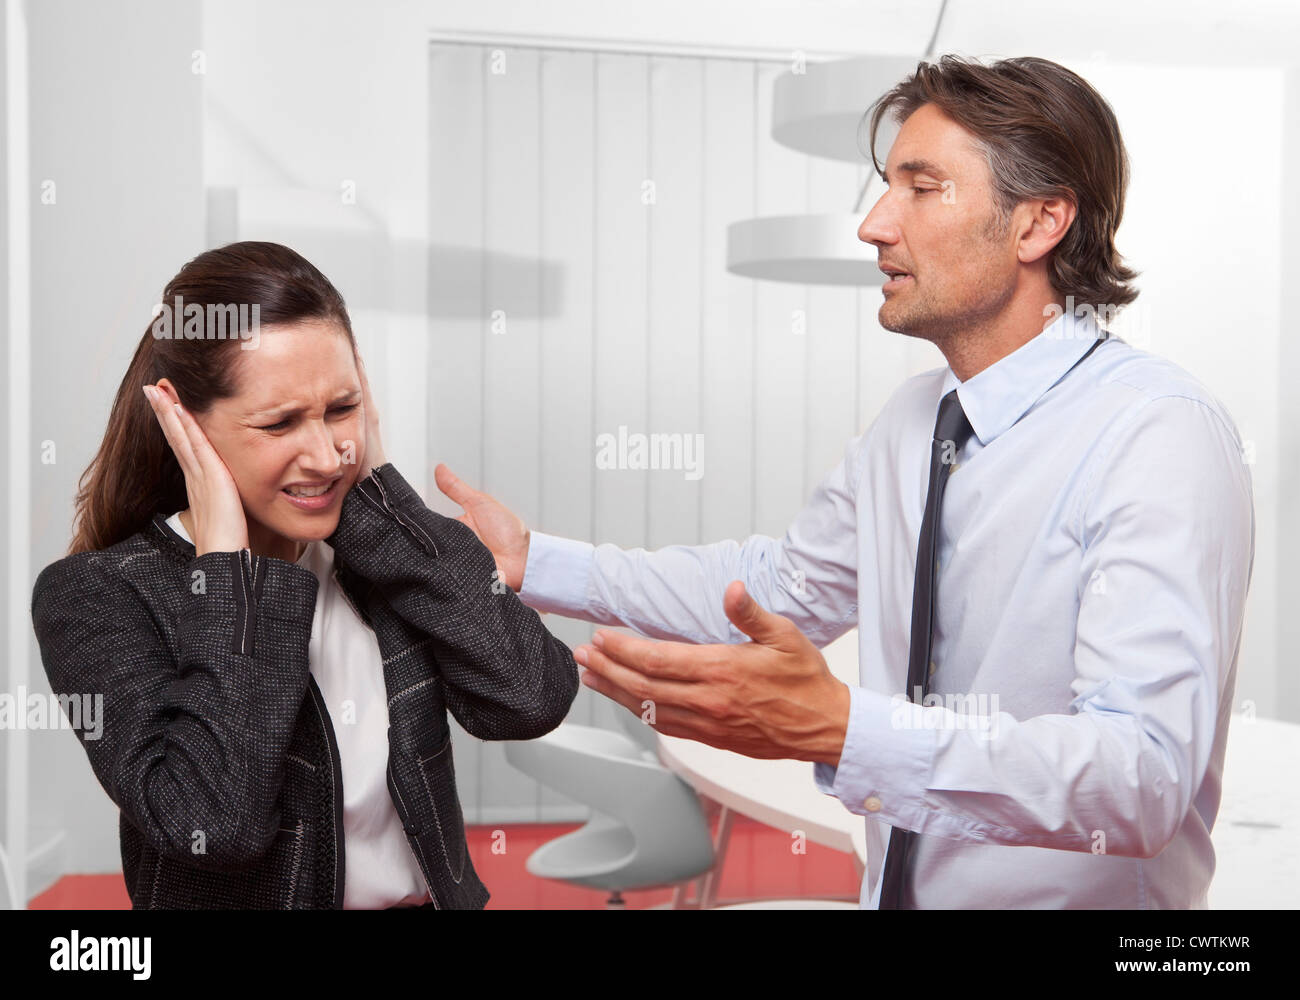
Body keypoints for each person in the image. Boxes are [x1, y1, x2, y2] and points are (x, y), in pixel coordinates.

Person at [432, 55, 1255, 909]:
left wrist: (846, 729)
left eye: (921, 187)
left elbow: (1143, 777)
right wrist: (537, 562)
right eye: (884, 187)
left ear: (1039, 223)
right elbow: (783, 587)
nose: (873, 225)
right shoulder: (914, 420)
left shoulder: (1157, 431)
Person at [30, 241, 578, 909]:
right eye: (281, 421)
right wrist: (231, 574)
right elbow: (213, 822)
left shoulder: (378, 555)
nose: (325, 455)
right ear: (183, 420)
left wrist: (384, 500)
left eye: (340, 409)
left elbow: (530, 697)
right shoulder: (97, 595)